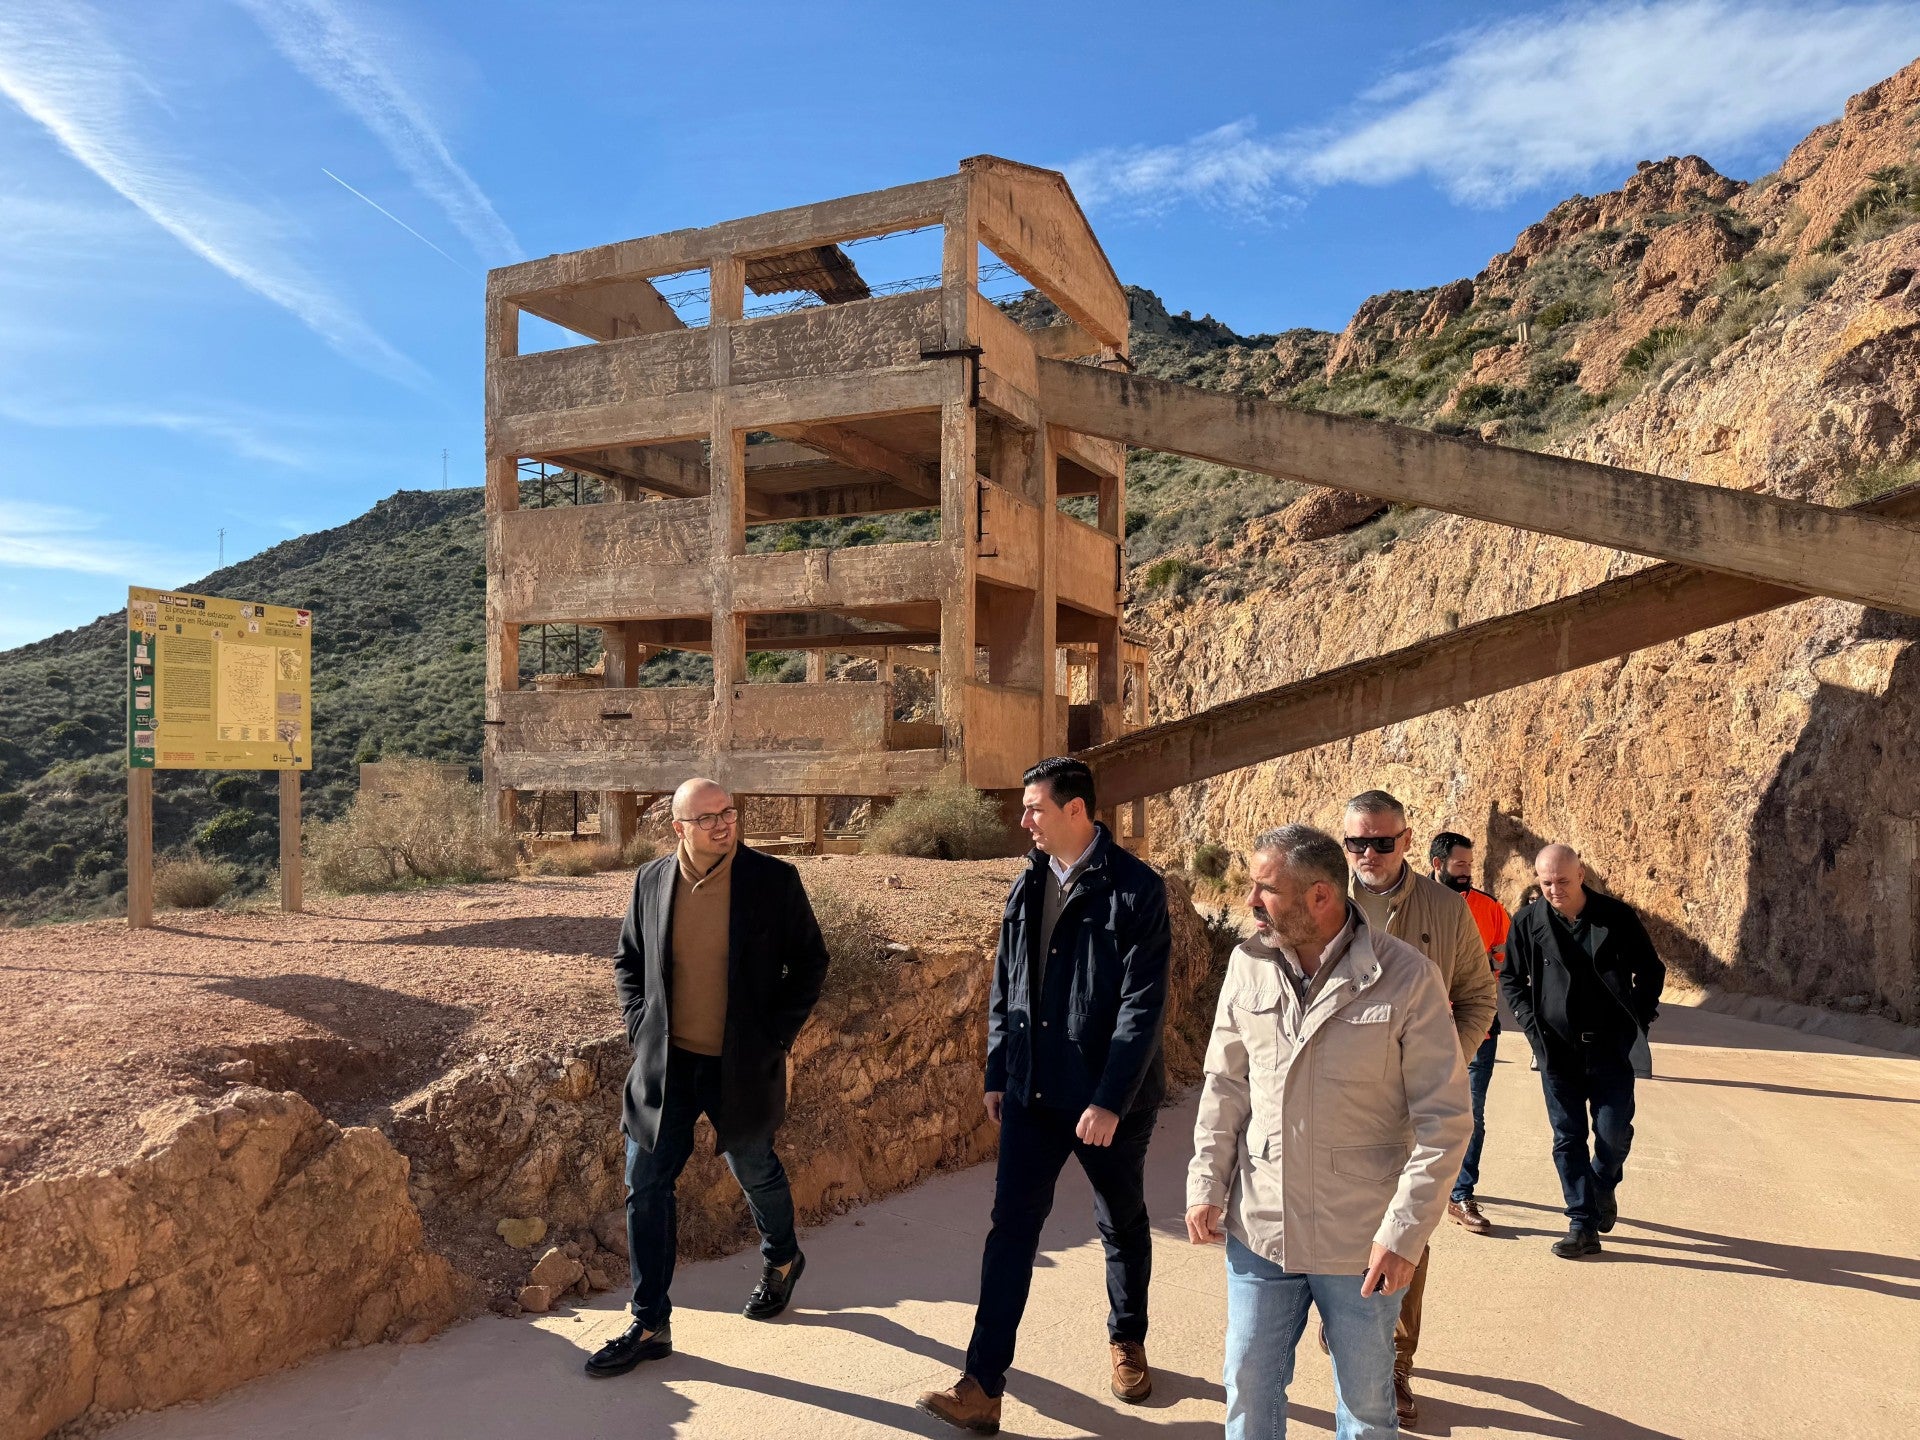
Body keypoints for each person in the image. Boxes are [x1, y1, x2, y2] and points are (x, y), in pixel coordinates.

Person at [1188, 824, 1470, 1440]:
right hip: (1262, 1232)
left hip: (1361, 1243)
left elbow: (1444, 1120)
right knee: (1247, 1393)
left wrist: (1404, 1234)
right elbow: (1226, 1084)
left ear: (1320, 896)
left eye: (1265, 889)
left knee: (1368, 1412)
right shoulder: (1246, 965)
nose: (1250, 902)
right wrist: (1206, 1183)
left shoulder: (1407, 977)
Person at [919, 757, 1171, 1433]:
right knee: (1010, 1231)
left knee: (1120, 1221)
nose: (1023, 819)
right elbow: (1009, 983)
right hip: (1033, 1092)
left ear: (1077, 811)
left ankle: (1127, 1339)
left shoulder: (1137, 890)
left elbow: (1142, 1009)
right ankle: (982, 1383)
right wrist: (1000, 1069)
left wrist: (1111, 1099)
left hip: (1108, 1103)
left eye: (1034, 807)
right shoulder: (1027, 881)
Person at [584, 777, 830, 1377]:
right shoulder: (650, 881)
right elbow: (630, 960)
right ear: (679, 829)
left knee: (752, 1166)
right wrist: (640, 1024)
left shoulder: (773, 882)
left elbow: (811, 962)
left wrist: (774, 1037)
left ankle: (782, 1257)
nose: (724, 824)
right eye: (708, 818)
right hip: (666, 1066)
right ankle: (649, 1322)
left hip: (740, 1064)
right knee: (645, 1184)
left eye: (729, 812)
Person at [1338, 792, 1496, 1426]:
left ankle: (1396, 1362)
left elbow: (1477, 998)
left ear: (1408, 841)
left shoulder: (1445, 911)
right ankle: (1349, 1321)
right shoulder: (1326, 897)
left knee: (1410, 1229)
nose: (1368, 855)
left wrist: (1439, 1066)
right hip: (1337, 1095)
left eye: (1381, 842)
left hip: (1412, 1100)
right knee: (1341, 1219)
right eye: (1356, 844)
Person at [1501, 843, 1664, 1258]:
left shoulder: (1616, 917)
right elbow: (1512, 979)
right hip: (1557, 1050)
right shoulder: (1527, 921)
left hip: (1610, 1049)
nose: (1555, 889)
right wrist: (1531, 1028)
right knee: (1567, 1137)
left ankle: (1602, 1184)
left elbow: (1650, 970)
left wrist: (1638, 1021)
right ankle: (1581, 1222)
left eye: (1562, 881)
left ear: (1581, 874)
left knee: (1612, 1133)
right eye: (1546, 882)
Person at [1427, 832, 1510, 1235]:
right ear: (1438, 863)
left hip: (1476, 1025)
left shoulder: (1490, 909)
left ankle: (1461, 1194)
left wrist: (1485, 982)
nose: (1467, 873)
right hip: (1420, 1026)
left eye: (1470, 866)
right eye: (1460, 866)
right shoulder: (1414, 903)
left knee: (1470, 1112)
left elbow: (1503, 954)